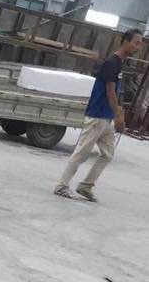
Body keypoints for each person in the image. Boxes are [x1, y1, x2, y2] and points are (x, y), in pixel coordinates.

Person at [54, 28, 144, 201]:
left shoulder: (119, 64)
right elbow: (110, 91)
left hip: (106, 118)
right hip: (97, 116)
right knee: (81, 153)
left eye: (140, 44)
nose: (138, 47)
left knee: (108, 154)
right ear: (125, 41)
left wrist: (117, 114)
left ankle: (85, 186)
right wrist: (118, 116)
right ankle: (61, 186)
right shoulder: (111, 63)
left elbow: (117, 92)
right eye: (136, 43)